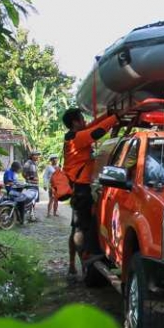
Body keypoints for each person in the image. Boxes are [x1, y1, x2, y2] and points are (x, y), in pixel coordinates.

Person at [61, 108, 118, 266]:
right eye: (82, 119)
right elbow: (97, 132)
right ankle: (86, 254)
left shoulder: (73, 136)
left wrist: (108, 115)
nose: (85, 122)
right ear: (75, 122)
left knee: (78, 226)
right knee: (82, 226)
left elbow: (94, 125)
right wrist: (115, 118)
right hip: (81, 189)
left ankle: (75, 262)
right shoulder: (77, 139)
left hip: (78, 187)